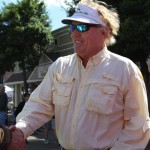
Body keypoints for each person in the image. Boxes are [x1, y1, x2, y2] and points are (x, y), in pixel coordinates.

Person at [7, 0, 150, 149]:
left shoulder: (125, 69)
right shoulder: (60, 66)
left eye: (82, 27)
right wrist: (21, 131)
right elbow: (39, 104)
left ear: (104, 32)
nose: (75, 33)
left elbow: (138, 126)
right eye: (72, 26)